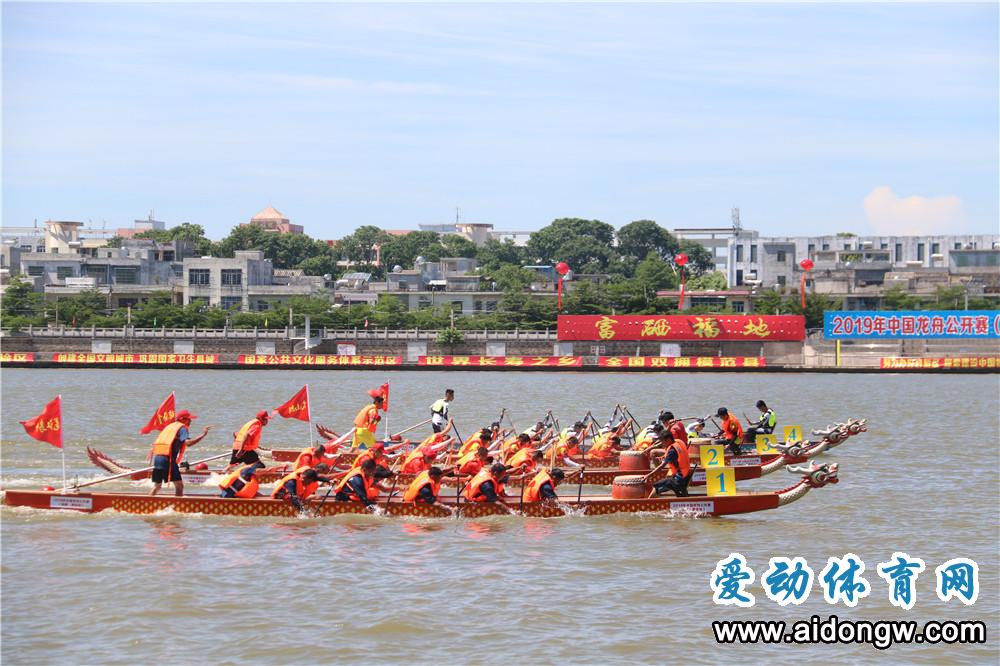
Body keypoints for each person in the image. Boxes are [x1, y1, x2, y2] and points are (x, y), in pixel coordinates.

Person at [148, 410, 211, 497]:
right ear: (183, 419)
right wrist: (203, 435)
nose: (190, 421)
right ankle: (177, 507)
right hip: (168, 460)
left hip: (158, 459)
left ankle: (147, 503)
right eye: (189, 419)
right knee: (179, 486)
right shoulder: (182, 428)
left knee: (157, 486)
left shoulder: (169, 426)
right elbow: (188, 443)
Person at [650, 430, 693, 497]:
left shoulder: (672, 451)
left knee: (654, 486)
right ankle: (683, 497)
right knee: (665, 481)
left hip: (679, 480)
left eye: (663, 441)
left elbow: (661, 466)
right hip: (685, 476)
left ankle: (649, 503)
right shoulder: (679, 442)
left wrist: (648, 476)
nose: (662, 444)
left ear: (668, 440)